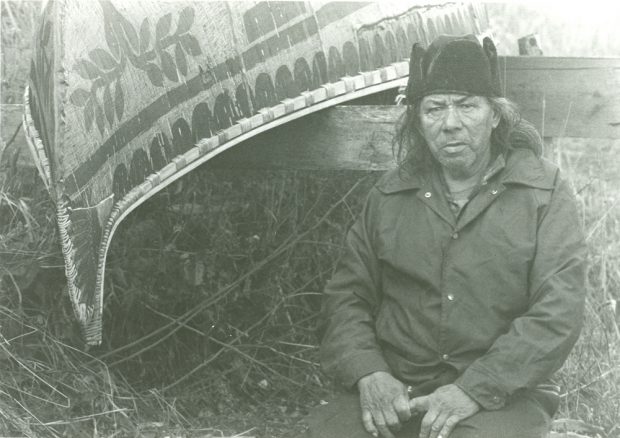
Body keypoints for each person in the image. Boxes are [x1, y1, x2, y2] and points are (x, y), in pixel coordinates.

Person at [310, 35, 587, 438]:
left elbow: (557, 313)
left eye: (467, 105)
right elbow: (346, 297)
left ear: (495, 116)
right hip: (396, 389)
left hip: (500, 396)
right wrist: (369, 372)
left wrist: (473, 389)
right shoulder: (389, 194)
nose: (450, 122)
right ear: (418, 122)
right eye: (435, 108)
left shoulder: (544, 192)